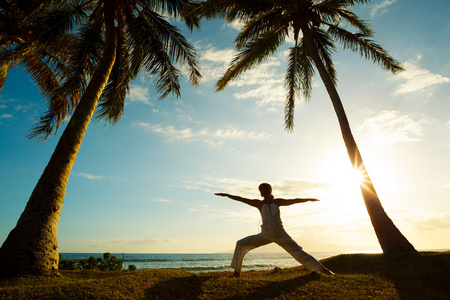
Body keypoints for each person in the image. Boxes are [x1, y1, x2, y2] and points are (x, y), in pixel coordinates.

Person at [215, 182, 333, 277]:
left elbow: (294, 200)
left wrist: (308, 199)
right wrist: (227, 195)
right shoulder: (259, 204)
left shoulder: (277, 202)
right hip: (265, 235)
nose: (261, 192)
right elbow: (242, 199)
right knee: (241, 243)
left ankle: (323, 270)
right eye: (260, 189)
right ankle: (237, 272)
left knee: (298, 252)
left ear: (269, 190)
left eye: (263, 189)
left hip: (280, 234)